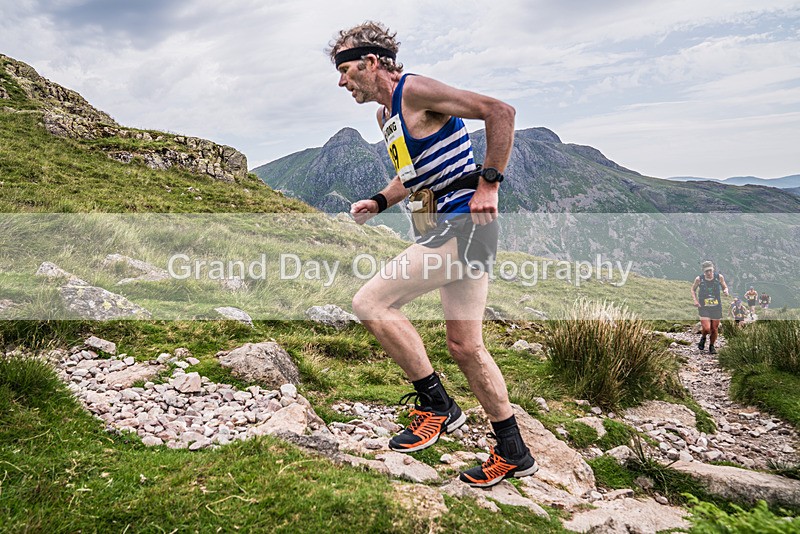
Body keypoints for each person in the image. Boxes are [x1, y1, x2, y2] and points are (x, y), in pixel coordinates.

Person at [327, 21, 537, 488]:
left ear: (371, 62)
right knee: (466, 347)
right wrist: (379, 201)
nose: (342, 81)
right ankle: (514, 452)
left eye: (345, 70)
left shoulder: (415, 90)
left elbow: (499, 111)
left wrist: (489, 183)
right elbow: (412, 175)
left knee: (371, 303)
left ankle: (437, 406)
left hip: (463, 224)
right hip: (446, 226)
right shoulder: (386, 117)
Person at [691, 260, 729, 354]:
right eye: (706, 271)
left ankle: (712, 346)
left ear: (713, 269)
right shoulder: (699, 279)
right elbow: (693, 290)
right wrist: (695, 300)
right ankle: (703, 337)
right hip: (704, 306)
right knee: (707, 328)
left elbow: (725, 286)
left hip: (716, 306)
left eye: (710, 270)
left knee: (714, 328)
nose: (709, 273)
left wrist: (726, 291)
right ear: (703, 271)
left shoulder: (719, 277)